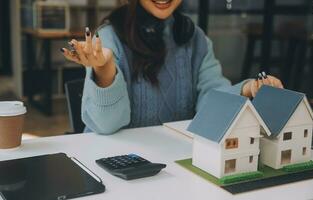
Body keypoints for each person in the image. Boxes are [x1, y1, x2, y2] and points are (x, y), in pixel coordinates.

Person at [61, 0, 283, 135]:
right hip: (114, 164)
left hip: (172, 165)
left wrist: (247, 88)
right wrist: (105, 68)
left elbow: (211, 101)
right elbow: (105, 126)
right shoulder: (109, 37)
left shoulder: (195, 39)